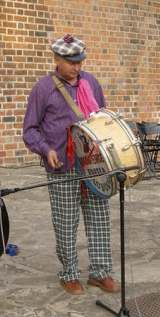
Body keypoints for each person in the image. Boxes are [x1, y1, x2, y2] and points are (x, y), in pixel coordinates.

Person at [23, 33, 120, 295]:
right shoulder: (43, 88)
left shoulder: (91, 82)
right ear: (56, 59)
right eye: (70, 62)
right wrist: (46, 150)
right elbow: (30, 130)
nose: (76, 67)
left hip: (94, 165)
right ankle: (69, 273)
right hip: (62, 166)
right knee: (66, 222)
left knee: (99, 219)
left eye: (79, 61)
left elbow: (102, 117)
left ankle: (99, 273)